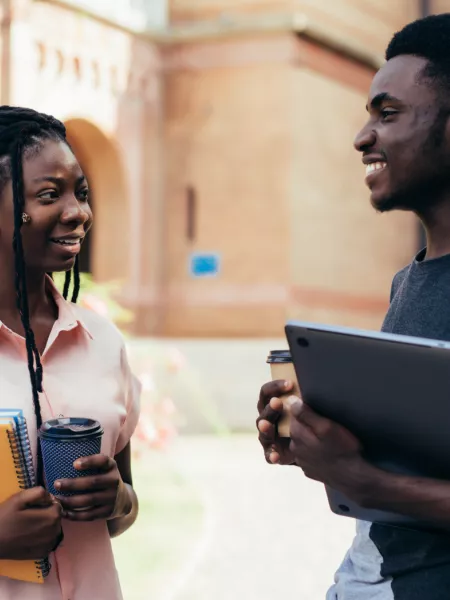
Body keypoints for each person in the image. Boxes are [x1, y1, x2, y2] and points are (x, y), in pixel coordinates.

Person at [257, 13, 450, 600]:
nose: (363, 137)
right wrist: (323, 435)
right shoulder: (409, 282)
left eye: (387, 114)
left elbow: (382, 483)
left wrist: (359, 478)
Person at [0, 106, 140, 599]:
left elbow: (125, 506)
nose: (79, 211)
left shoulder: (104, 343)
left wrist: (117, 499)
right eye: (48, 194)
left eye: (81, 192)